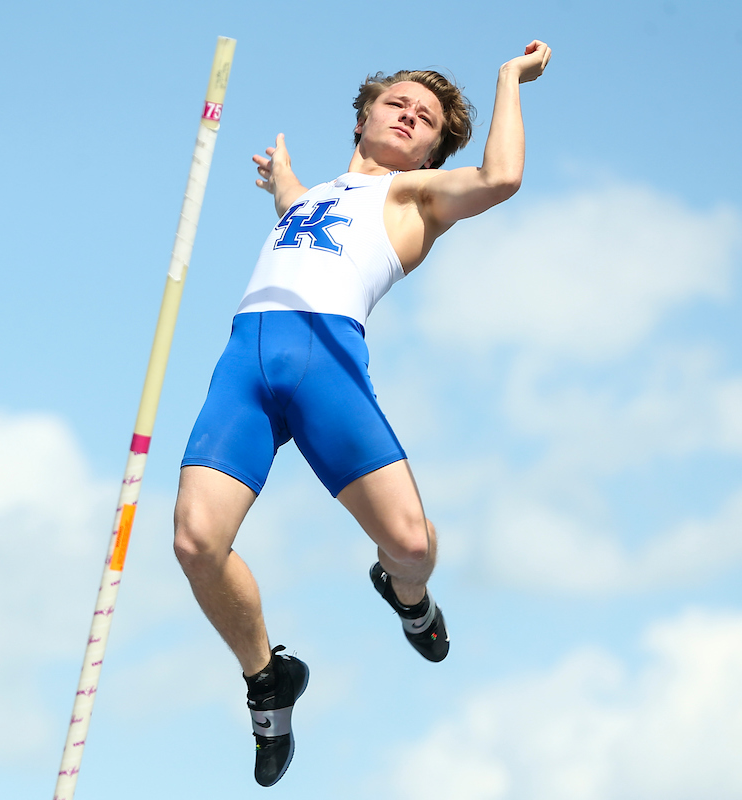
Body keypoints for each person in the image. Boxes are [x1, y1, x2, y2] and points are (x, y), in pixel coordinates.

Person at [173, 40, 551, 787]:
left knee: (409, 545)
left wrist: (510, 78)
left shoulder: (415, 198)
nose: (409, 116)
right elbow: (305, 212)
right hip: (244, 365)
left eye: (427, 118)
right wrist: (283, 182)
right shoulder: (312, 198)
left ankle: (408, 596)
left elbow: (502, 177)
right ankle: (268, 678)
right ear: (363, 116)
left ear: (432, 151)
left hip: (328, 366)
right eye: (397, 103)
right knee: (195, 543)